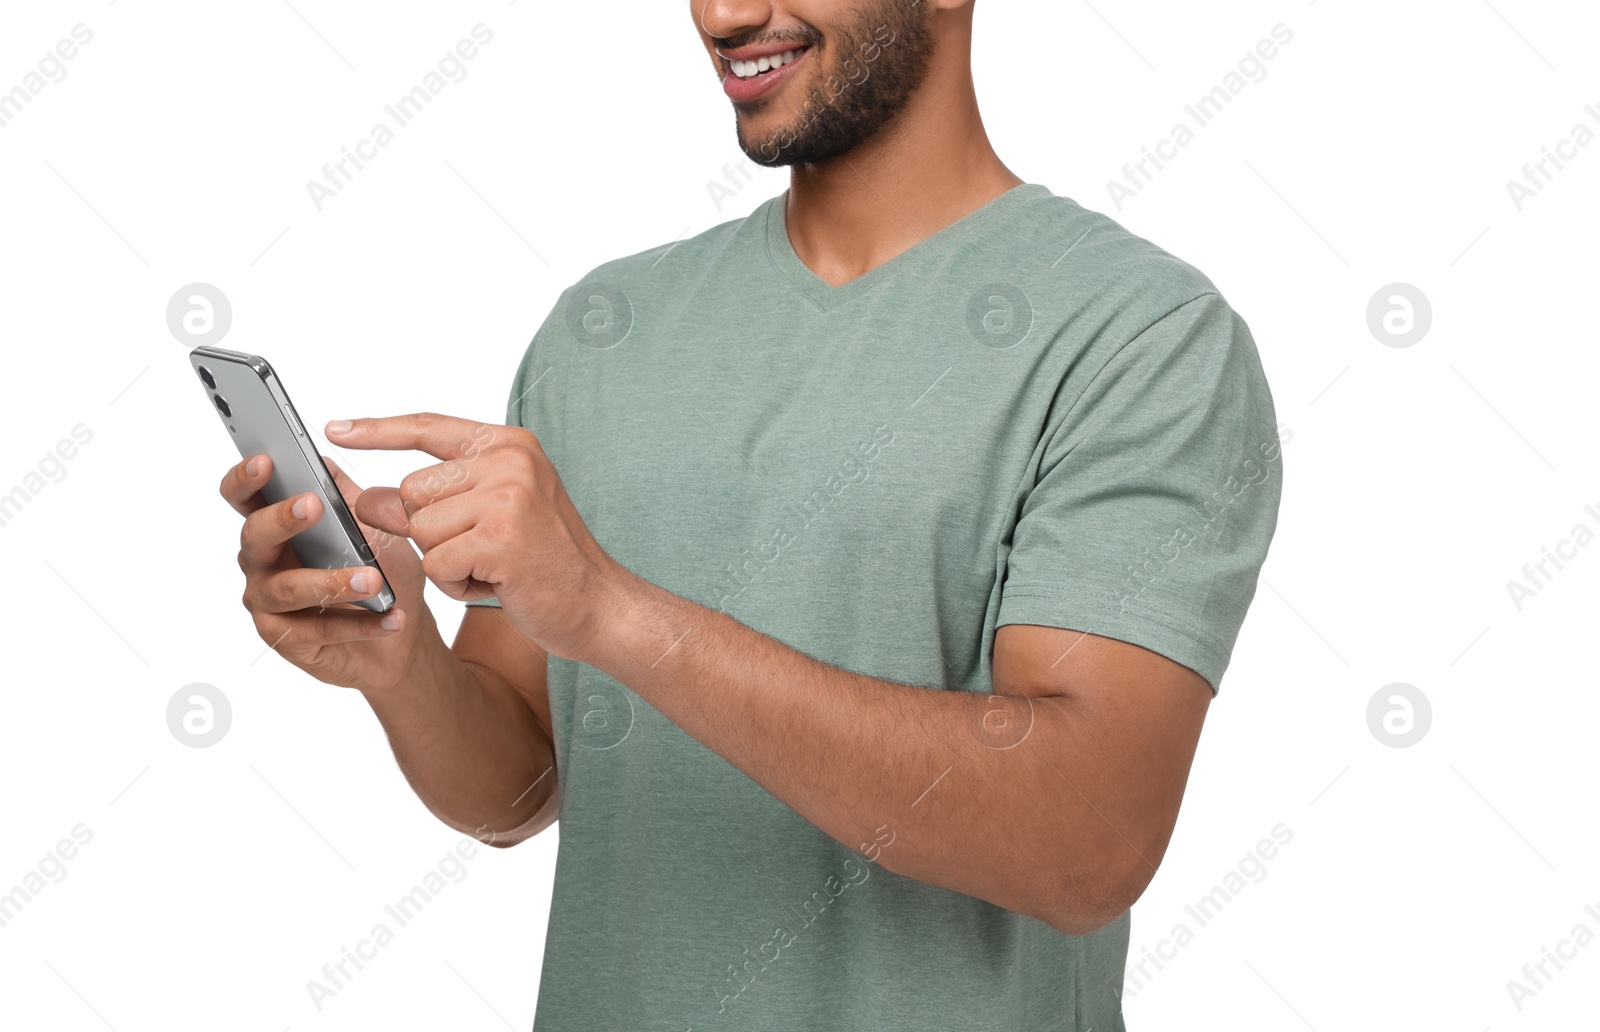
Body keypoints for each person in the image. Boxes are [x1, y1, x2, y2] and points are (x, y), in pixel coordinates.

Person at [221, 1, 1282, 1027]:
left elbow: (1086, 842)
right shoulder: (602, 332)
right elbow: (519, 787)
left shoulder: (1141, 338)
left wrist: (614, 614)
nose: (722, 15)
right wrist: (402, 661)